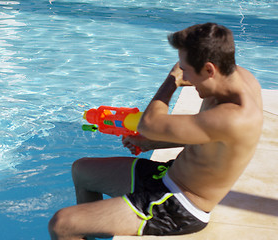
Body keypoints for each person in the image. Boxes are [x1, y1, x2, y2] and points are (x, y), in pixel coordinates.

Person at [48, 22, 263, 239]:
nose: (185, 78)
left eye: (186, 71)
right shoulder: (234, 78)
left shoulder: (235, 116)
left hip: (178, 205)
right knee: (81, 170)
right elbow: (212, 139)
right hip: (168, 175)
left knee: (62, 224)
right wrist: (152, 143)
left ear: (209, 70)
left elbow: (149, 124)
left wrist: (172, 81)